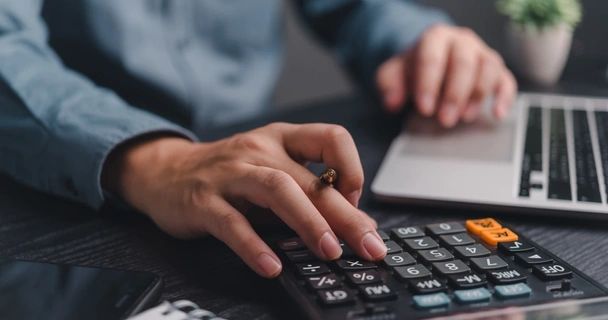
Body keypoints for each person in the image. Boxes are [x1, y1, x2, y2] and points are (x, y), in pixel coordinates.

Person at [0, 1, 516, 278]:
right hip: (62, 194)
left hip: (264, 176)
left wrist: (417, 42)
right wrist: (154, 159)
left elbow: (353, 6)